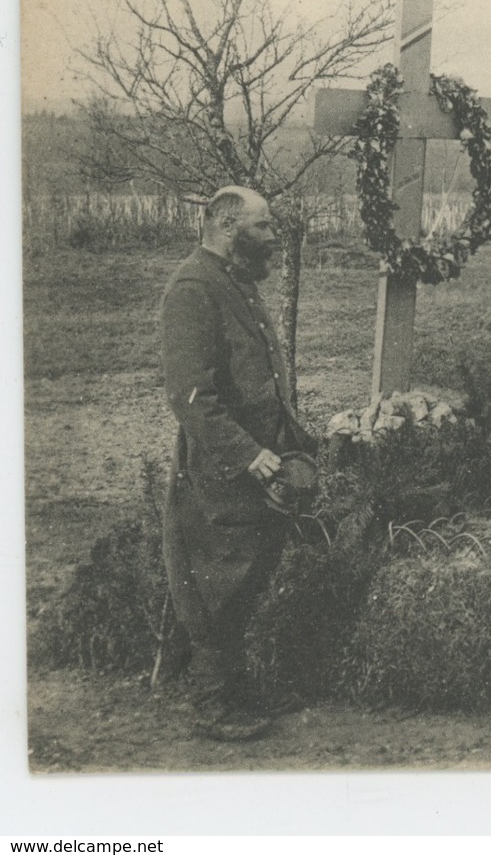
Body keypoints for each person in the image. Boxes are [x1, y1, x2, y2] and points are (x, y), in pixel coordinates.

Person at [159, 186, 316, 741]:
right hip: (221, 472)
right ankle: (211, 704)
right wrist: (250, 455)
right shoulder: (193, 289)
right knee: (216, 585)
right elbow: (191, 397)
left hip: (261, 465)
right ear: (228, 226)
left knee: (248, 579)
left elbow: (261, 379)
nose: (275, 238)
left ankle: (237, 690)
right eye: (265, 226)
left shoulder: (237, 285)